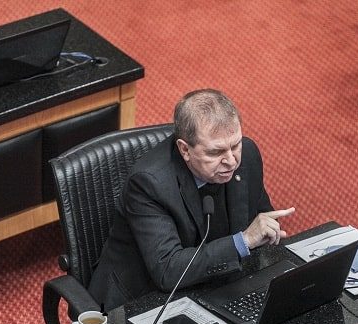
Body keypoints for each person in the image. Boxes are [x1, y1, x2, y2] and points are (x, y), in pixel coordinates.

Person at [88, 89, 294, 310]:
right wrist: (243, 241)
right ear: (185, 149)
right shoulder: (149, 183)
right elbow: (168, 270)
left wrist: (267, 234)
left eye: (235, 145)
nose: (231, 161)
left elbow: (261, 224)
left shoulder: (248, 155)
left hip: (215, 285)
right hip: (144, 300)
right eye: (216, 153)